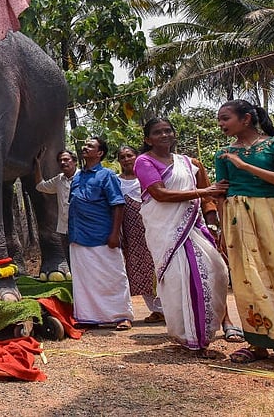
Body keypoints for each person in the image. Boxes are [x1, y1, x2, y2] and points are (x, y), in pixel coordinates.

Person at [133, 118, 231, 354]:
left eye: (168, 130)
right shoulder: (143, 161)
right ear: (148, 139)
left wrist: (213, 223)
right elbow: (159, 194)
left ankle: (212, 328)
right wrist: (203, 191)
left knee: (216, 271)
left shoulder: (189, 163)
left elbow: (208, 200)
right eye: (158, 132)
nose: (164, 135)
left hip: (194, 228)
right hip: (167, 231)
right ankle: (190, 336)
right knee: (180, 278)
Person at [214, 100, 274, 363]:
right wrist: (222, 229)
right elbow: (221, 193)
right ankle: (258, 343)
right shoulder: (224, 154)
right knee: (248, 278)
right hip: (239, 218)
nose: (221, 124)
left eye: (226, 118)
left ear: (246, 119)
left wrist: (245, 166)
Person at [67, 137, 133, 330]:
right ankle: (90, 317)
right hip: (78, 236)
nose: (85, 148)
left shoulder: (107, 175)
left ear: (100, 153)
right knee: (85, 280)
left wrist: (115, 234)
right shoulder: (77, 177)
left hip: (102, 235)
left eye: (90, 146)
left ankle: (122, 316)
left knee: (113, 276)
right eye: (85, 145)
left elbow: (118, 205)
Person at [117, 145, 164, 323]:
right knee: (139, 270)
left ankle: (168, 307)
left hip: (152, 227)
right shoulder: (116, 181)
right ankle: (156, 309)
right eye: (122, 157)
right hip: (130, 232)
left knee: (158, 266)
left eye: (130, 155)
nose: (127, 159)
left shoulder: (146, 177)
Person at [34, 149, 79, 278]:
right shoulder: (59, 179)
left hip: (82, 228)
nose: (63, 162)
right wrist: (37, 164)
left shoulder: (84, 177)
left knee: (85, 260)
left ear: (74, 161)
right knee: (71, 260)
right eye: (60, 161)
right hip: (64, 229)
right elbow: (40, 186)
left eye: (66, 159)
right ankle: (77, 291)